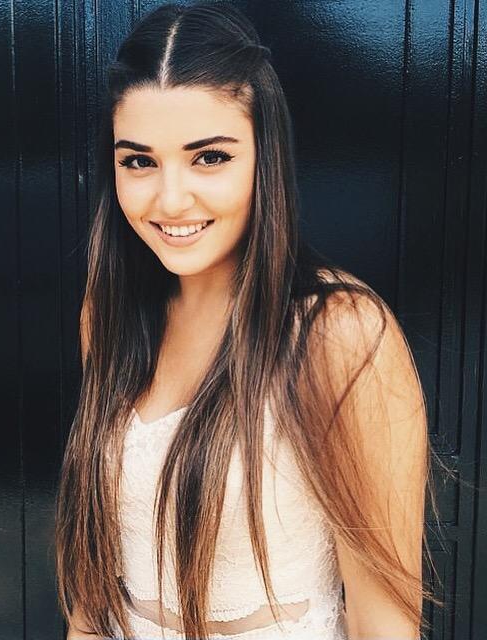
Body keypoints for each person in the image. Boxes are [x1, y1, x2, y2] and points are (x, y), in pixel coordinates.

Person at [55, 2, 446, 638]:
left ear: (266, 157)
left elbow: (383, 621)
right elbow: (92, 598)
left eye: (209, 157)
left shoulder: (338, 334)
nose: (171, 199)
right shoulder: (110, 315)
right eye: (139, 161)